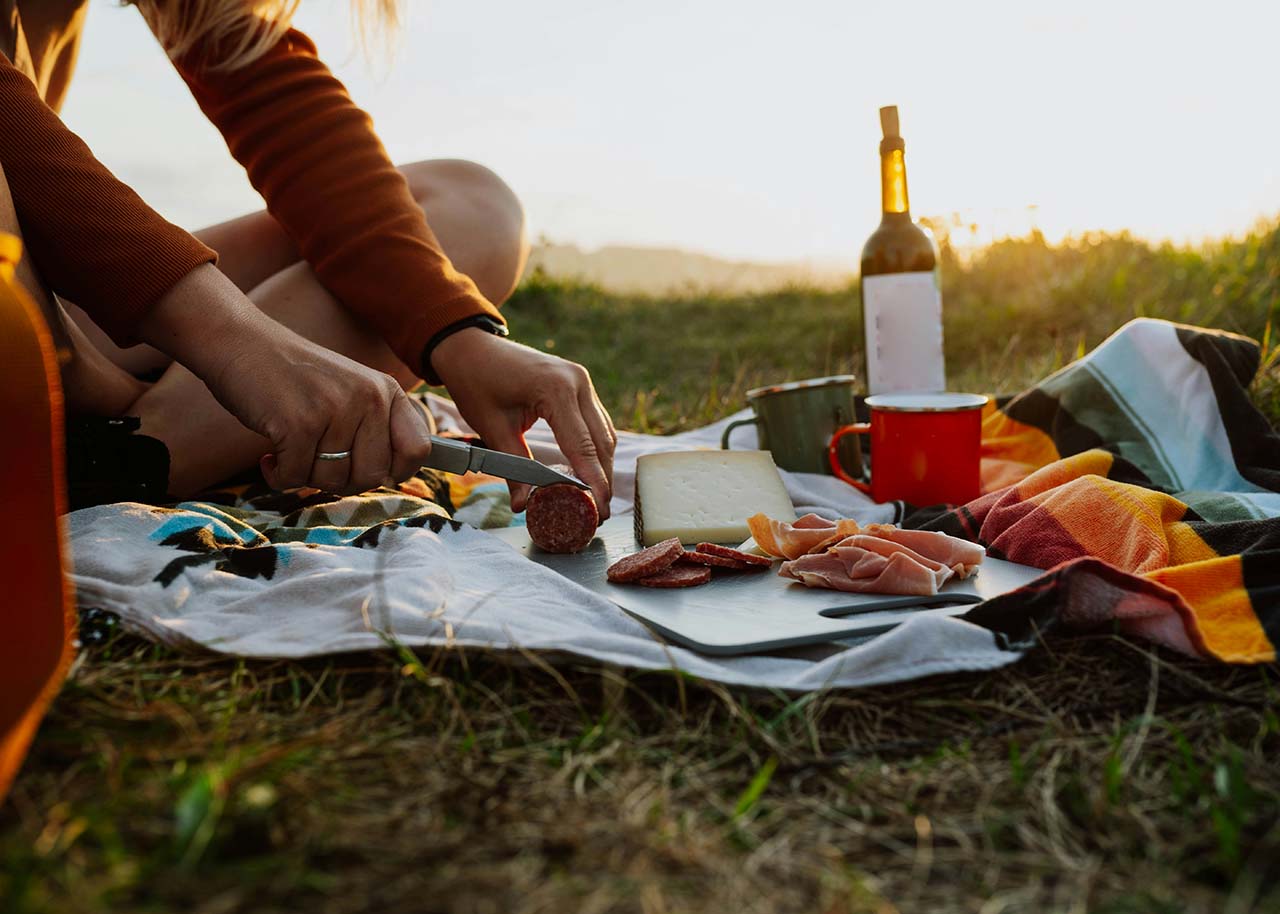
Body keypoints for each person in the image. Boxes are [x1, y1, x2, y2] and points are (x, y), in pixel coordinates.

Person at [0, 0, 617, 516]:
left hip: (45, 312)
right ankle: (96, 448)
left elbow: (282, 107)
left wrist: (457, 336)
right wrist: (242, 343)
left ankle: (124, 449)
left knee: (472, 205)